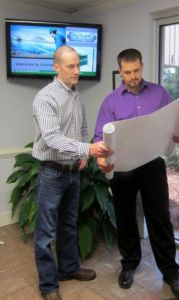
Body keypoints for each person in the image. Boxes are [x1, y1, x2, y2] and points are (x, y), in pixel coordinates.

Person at [94, 48, 179, 299]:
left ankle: (171, 273)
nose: (133, 76)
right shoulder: (110, 101)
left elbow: (176, 124)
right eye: (127, 72)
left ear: (142, 67)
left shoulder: (159, 94)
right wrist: (102, 158)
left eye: (136, 70)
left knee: (160, 219)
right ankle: (129, 265)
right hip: (123, 168)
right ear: (120, 71)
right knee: (125, 219)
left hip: (152, 165)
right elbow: (97, 138)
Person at [32, 46, 113, 300]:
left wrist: (80, 155)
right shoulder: (45, 97)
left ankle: (68, 269)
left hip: (73, 172)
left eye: (79, 65)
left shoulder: (76, 94)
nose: (77, 71)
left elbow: (82, 126)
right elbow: (53, 138)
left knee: (68, 225)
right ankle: (48, 286)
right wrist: (88, 149)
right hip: (52, 173)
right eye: (71, 66)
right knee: (45, 233)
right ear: (56, 67)